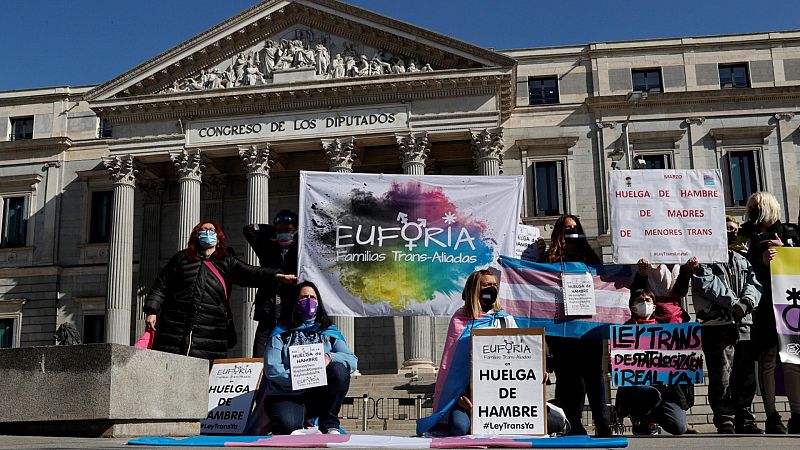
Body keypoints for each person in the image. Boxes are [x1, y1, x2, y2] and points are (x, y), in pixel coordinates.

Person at [416, 269, 567, 436]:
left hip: (506, 392)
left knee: (550, 423)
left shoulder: (505, 319)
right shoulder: (459, 320)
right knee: (459, 428)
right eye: (486, 285)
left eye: (495, 285)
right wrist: (459, 395)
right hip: (470, 395)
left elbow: (524, 354)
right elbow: (452, 368)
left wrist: (539, 370)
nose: (492, 288)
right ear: (474, 289)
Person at [144, 220, 296, 360]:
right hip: (174, 327)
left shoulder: (226, 261)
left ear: (218, 238)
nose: (208, 232)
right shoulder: (182, 258)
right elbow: (162, 284)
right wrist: (152, 310)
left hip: (211, 331)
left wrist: (277, 275)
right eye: (203, 230)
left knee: (204, 372)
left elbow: (251, 273)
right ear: (196, 235)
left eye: (212, 230)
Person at [539, 215, 612, 437]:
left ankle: (601, 422)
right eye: (567, 228)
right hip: (561, 328)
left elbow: (604, 283)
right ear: (559, 232)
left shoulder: (589, 256)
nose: (571, 231)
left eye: (574, 227)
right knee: (568, 376)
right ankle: (573, 422)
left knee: (594, 374)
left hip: (588, 326)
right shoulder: (548, 258)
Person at [739, 192, 800, 433]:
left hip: (789, 305)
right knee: (767, 361)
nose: (753, 211)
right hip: (763, 308)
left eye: (757, 206)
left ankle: (797, 414)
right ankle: (772, 415)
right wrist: (762, 261)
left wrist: (785, 251)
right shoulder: (746, 237)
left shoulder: (791, 233)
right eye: (751, 207)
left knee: (792, 359)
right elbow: (743, 272)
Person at [264, 281, 358, 435]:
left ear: (319, 302)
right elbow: (272, 369)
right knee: (288, 427)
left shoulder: (328, 331)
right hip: (287, 395)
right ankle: (297, 421)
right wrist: (301, 377)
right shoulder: (280, 332)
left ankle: (329, 424)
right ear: (295, 302)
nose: (309, 301)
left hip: (317, 396)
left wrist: (329, 357)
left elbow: (351, 360)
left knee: (339, 370)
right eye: (303, 297)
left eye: (313, 297)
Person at [690, 244, 763, 434]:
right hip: (715, 325)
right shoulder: (704, 259)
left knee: (745, 374)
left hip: (744, 323)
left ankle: (744, 418)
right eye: (727, 230)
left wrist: (746, 302)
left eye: (734, 230)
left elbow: (754, 283)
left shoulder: (742, 258)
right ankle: (724, 419)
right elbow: (706, 283)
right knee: (721, 374)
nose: (732, 232)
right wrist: (735, 304)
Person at [615, 288, 693, 436]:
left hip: (666, 386)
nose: (644, 304)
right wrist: (615, 360)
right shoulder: (625, 331)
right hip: (638, 386)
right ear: (632, 308)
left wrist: (689, 359)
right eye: (639, 301)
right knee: (651, 394)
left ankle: (653, 417)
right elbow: (620, 366)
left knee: (679, 428)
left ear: (654, 307)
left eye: (647, 300)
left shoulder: (668, 330)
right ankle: (642, 419)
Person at [243, 210, 299, 358]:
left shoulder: (301, 250)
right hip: (269, 306)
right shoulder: (267, 248)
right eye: (279, 230)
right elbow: (249, 229)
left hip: (291, 306)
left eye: (287, 230)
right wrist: (274, 230)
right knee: (261, 347)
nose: (283, 233)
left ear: (296, 231)